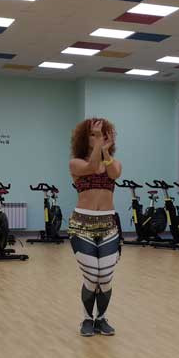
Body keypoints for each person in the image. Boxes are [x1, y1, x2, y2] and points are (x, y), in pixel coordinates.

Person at [68, 118, 122, 337]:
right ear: (84, 138)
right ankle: (87, 319)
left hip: (108, 225)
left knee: (105, 277)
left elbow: (114, 174)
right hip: (82, 225)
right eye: (93, 134)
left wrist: (106, 150)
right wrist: (100, 143)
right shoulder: (76, 163)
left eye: (102, 133)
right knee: (92, 276)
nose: (99, 137)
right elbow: (91, 167)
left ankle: (101, 319)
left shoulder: (113, 163)